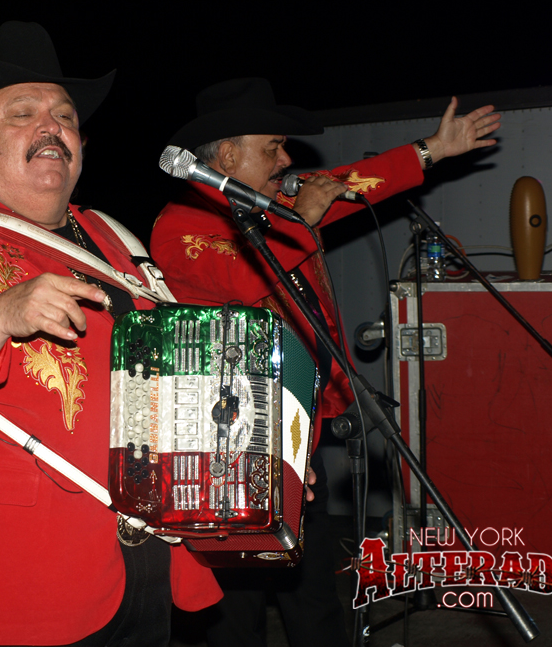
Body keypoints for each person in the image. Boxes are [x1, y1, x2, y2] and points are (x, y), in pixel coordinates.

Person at [0, 21, 221, 646]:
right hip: (15, 579)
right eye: (22, 112)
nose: (51, 126)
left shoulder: (115, 238)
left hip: (148, 560)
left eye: (64, 115)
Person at [150, 77, 501, 646]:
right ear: (229, 155)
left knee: (312, 592)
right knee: (237, 607)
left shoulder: (272, 207)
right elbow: (244, 277)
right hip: (229, 446)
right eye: (272, 147)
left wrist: (434, 149)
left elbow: (354, 180)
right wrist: (304, 219)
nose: (286, 159)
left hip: (297, 432)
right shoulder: (180, 225)